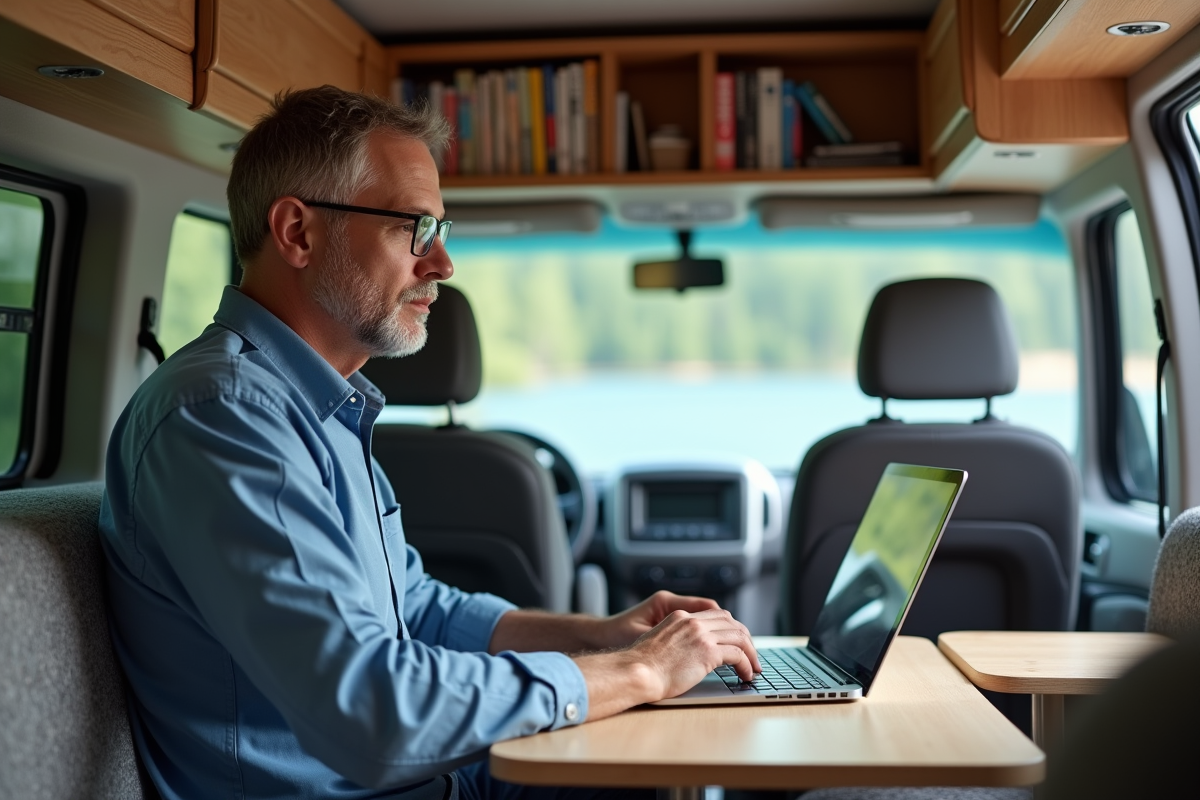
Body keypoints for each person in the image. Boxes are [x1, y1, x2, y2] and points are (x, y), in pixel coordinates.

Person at [99, 85, 761, 800]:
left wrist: (605, 637)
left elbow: (415, 610)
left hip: (427, 782)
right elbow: (373, 714)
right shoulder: (222, 413)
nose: (442, 263)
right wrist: (642, 671)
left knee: (671, 759)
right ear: (297, 232)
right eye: (415, 227)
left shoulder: (318, 406)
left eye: (442, 230)